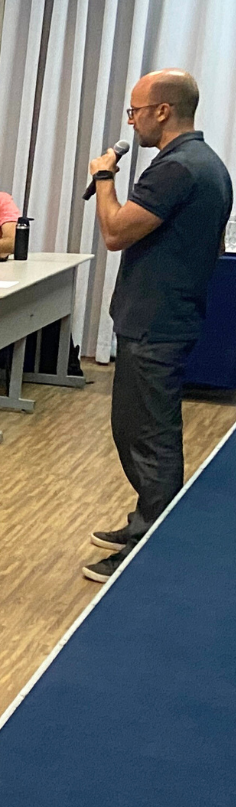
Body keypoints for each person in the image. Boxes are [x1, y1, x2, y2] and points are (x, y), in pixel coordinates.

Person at [85, 68, 233, 582]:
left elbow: (115, 232)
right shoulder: (210, 165)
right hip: (170, 314)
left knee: (150, 437)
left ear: (163, 111)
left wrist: (105, 176)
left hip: (156, 323)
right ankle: (145, 522)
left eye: (135, 111)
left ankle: (152, 541)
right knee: (138, 430)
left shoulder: (175, 168)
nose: (133, 121)